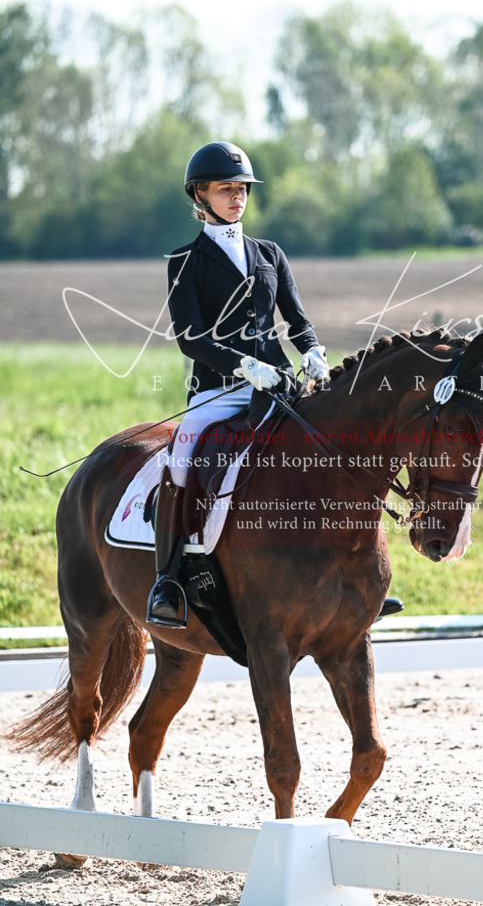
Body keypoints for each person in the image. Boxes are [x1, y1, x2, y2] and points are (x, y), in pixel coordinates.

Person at [147, 141, 330, 627]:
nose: (237, 197)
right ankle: (168, 578)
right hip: (218, 393)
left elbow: (297, 319)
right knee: (181, 458)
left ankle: (343, 574)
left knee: (328, 449)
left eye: (242, 189)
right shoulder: (184, 261)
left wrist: (312, 350)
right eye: (226, 189)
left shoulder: (270, 253)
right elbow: (191, 339)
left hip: (278, 387)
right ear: (200, 195)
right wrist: (244, 366)